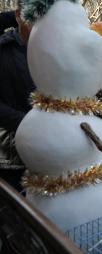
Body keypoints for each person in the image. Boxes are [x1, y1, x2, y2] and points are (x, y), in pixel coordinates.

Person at [0, 2, 35, 192]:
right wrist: (29, 122)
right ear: (19, 15)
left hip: (54, 158)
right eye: (35, 15)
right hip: (12, 161)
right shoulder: (4, 50)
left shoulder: (57, 52)